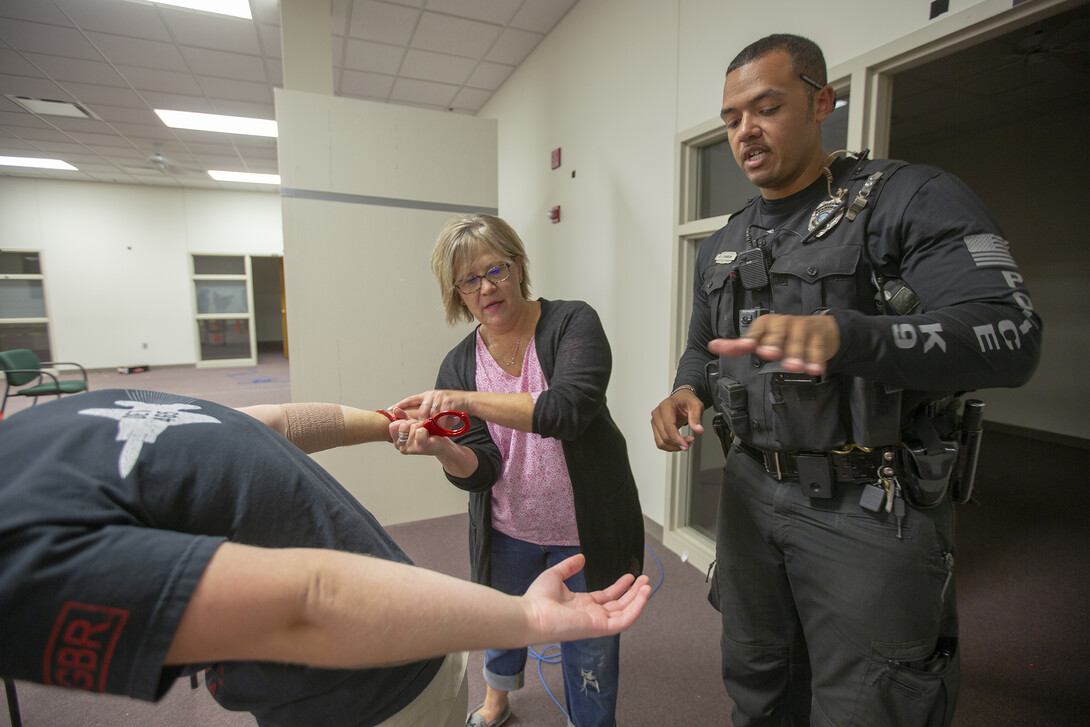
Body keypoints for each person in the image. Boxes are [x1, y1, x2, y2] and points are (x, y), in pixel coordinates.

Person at [650, 33, 1041, 727]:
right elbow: (700, 347)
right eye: (733, 118)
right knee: (757, 679)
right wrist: (688, 390)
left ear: (822, 100)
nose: (746, 131)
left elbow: (1011, 334)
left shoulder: (908, 199)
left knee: (871, 706)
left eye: (766, 107)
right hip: (748, 497)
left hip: (867, 502)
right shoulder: (724, 241)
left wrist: (851, 336)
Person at [0, 389, 651, 727]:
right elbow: (271, 421)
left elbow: (311, 603)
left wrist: (526, 620)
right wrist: (383, 422)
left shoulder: (20, 547)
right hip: (400, 638)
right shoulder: (43, 430)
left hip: (369, 687)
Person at [390, 213, 644, 727]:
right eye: (469, 279)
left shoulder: (572, 322)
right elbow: (480, 471)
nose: (486, 287)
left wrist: (467, 402)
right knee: (503, 623)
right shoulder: (459, 363)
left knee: (588, 642)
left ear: (519, 266)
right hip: (508, 529)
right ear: (456, 293)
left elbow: (568, 410)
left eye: (496, 270)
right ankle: (497, 702)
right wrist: (440, 448)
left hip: (585, 531)